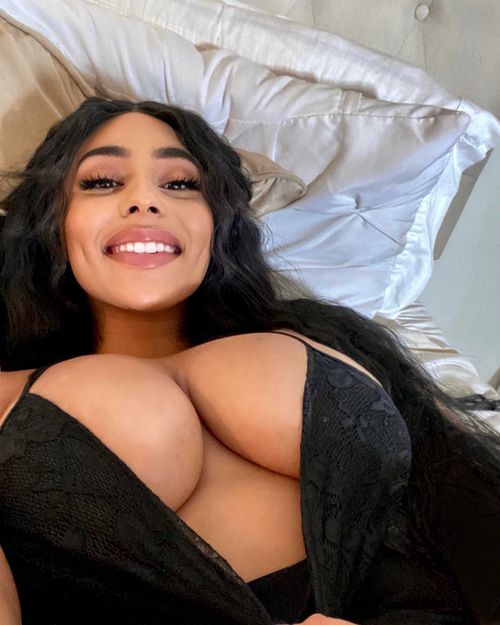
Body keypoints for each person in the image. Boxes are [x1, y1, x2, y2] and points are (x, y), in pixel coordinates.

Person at [0, 97, 499, 625]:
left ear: (218, 224)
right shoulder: (10, 393)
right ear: (53, 222)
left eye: (181, 184)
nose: (144, 200)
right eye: (102, 182)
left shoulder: (325, 335)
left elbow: (459, 486)